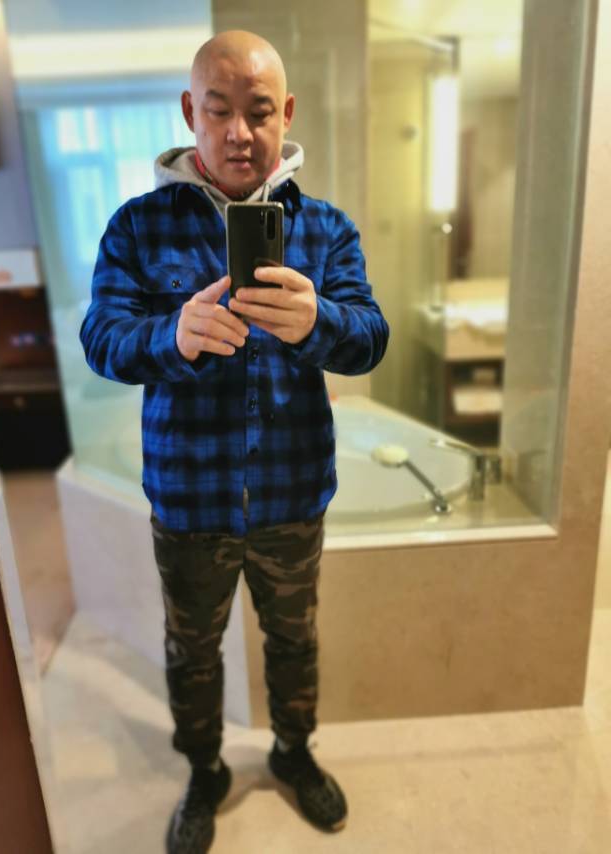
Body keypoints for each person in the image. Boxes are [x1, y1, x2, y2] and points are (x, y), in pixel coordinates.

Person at [80, 29, 389, 854]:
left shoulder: (326, 229)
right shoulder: (138, 228)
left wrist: (319, 321)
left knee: (294, 640)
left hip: (292, 492)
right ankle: (204, 771)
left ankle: (293, 753)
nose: (239, 133)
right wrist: (171, 336)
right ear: (191, 112)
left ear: (286, 113)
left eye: (258, 112)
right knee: (192, 650)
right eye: (219, 110)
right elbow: (100, 339)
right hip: (189, 499)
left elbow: (371, 338)